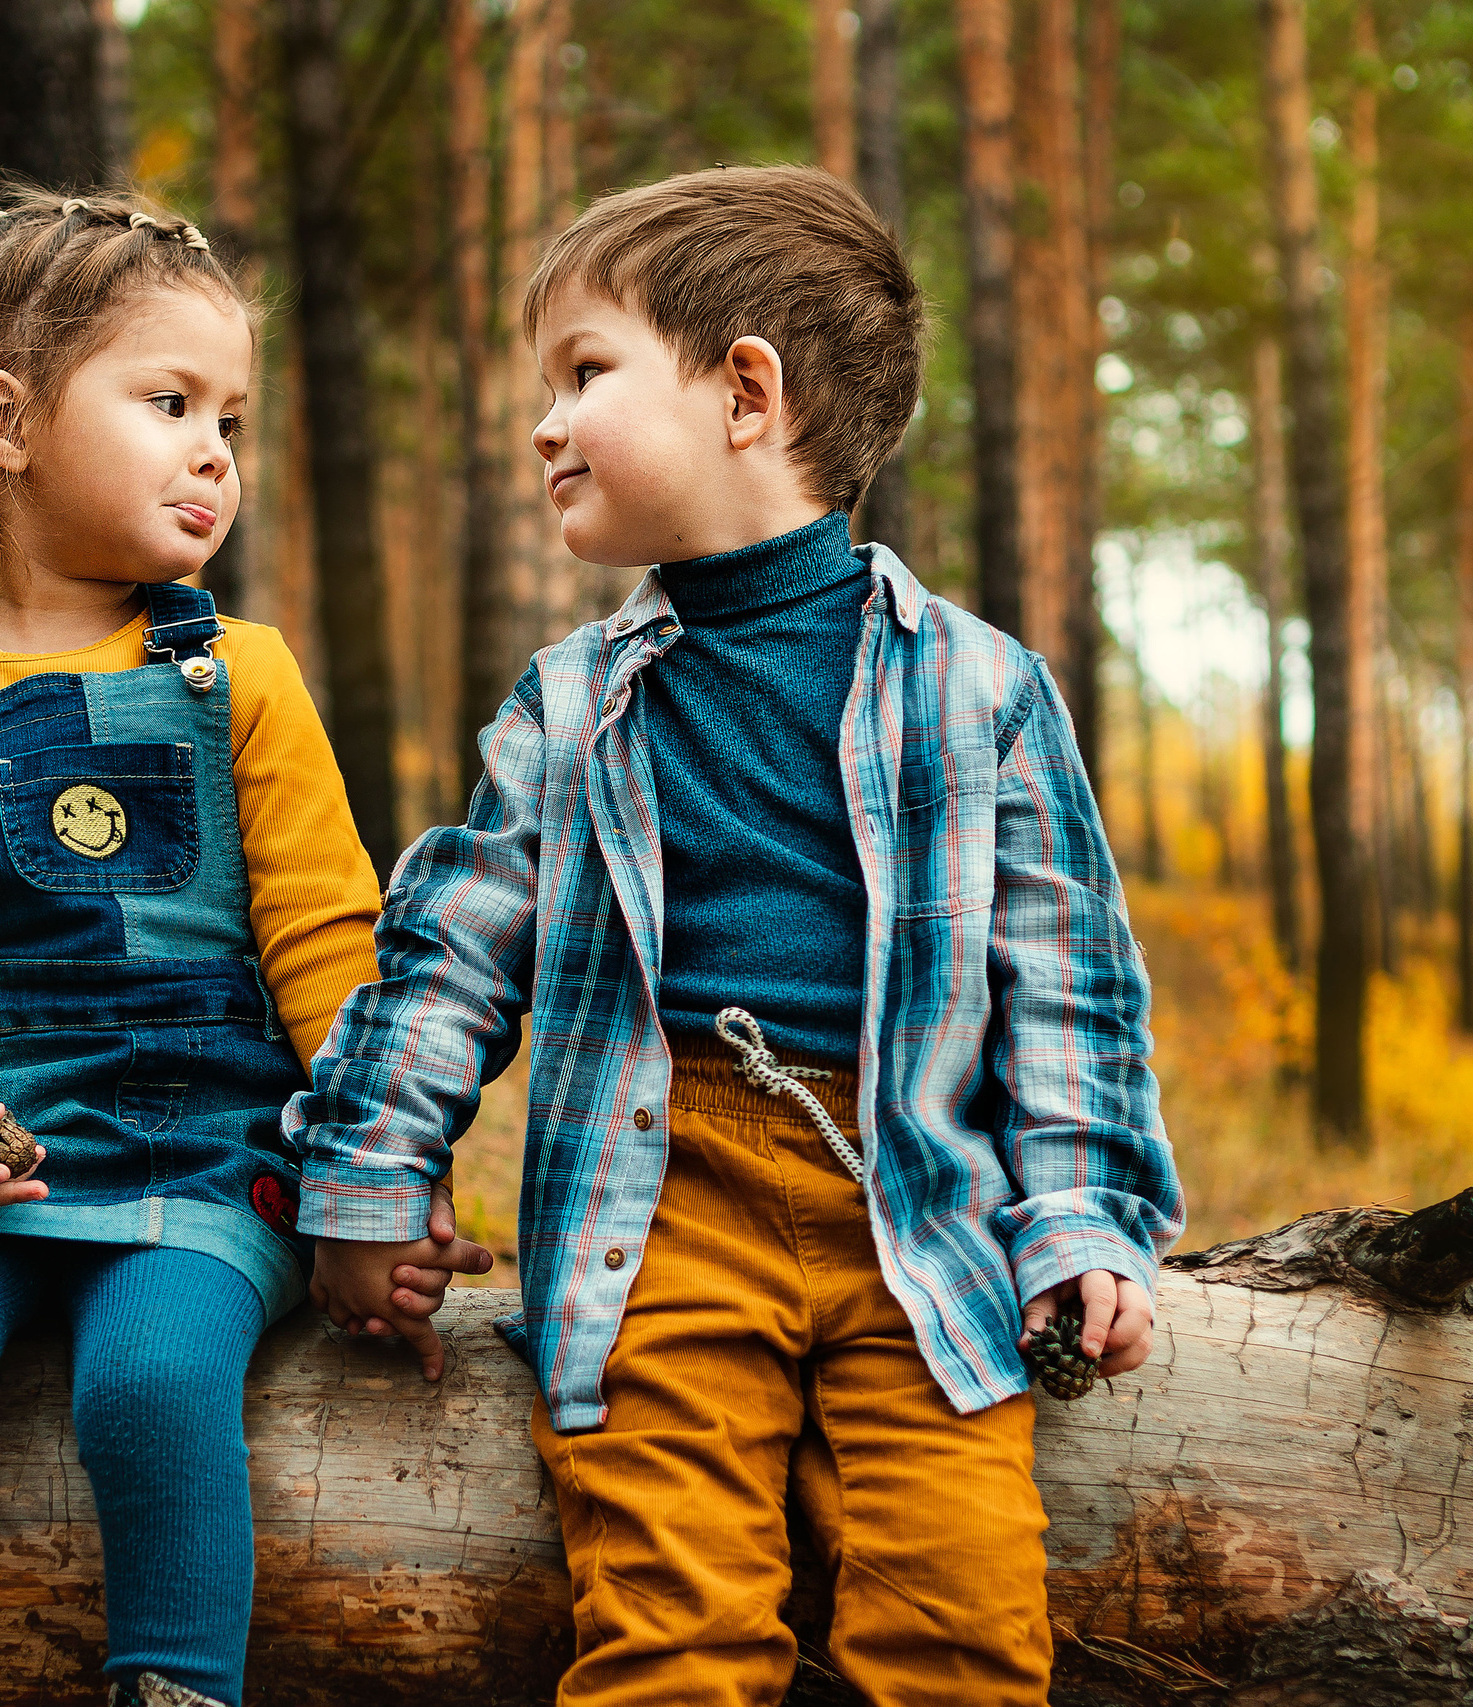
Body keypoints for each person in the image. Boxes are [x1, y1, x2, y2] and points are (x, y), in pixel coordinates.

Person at [288, 165, 1184, 1707]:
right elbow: (448, 957)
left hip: (922, 1213)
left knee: (962, 1637)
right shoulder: (573, 704)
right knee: (671, 1640)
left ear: (746, 394)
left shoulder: (981, 690)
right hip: (659, 1210)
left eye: (584, 373)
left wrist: (1084, 1222)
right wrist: (367, 1182)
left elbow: (1070, 994)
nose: (545, 424)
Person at [0, 189, 387, 1707]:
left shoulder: (244, 676)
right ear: (5, 422)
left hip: (203, 1149)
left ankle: (174, 1686)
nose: (216, 451)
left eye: (231, 417)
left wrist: (378, 1175)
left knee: (154, 1382)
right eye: (170, 404)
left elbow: (325, 938)